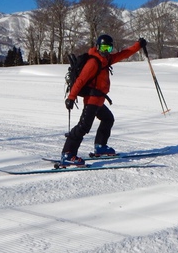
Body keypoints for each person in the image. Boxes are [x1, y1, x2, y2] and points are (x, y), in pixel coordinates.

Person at [60, 34, 147, 166]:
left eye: (109, 48)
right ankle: (68, 153)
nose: (106, 51)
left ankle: (100, 147)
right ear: (98, 46)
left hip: (99, 100)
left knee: (108, 119)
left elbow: (124, 54)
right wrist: (71, 98)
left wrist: (138, 46)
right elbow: (80, 80)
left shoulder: (105, 60)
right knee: (83, 127)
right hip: (92, 100)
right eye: (104, 47)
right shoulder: (93, 62)